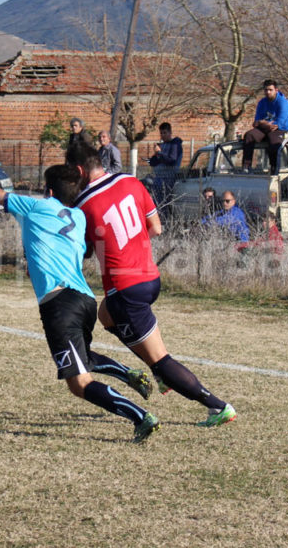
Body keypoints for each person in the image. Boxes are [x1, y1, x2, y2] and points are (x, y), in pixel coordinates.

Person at [0, 165, 161, 443]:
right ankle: (129, 374)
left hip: (59, 305)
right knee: (83, 359)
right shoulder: (79, 216)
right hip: (85, 300)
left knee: (79, 383)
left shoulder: (36, 206)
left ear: (48, 190)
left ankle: (140, 417)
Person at [67, 146, 238, 428]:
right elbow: (156, 228)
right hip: (149, 278)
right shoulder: (130, 181)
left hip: (125, 287)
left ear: (79, 171)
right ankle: (158, 373)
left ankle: (217, 406)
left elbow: (83, 250)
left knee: (161, 360)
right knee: (106, 315)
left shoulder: (82, 204)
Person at [241, 79, 288, 174]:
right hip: (264, 128)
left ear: (276, 90)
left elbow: (277, 124)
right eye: (266, 90)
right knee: (249, 135)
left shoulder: (283, 103)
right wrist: (263, 123)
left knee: (273, 141)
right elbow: (256, 122)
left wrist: (263, 122)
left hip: (281, 130)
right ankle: (246, 166)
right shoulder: (262, 102)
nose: (268, 92)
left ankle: (274, 169)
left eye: (270, 90)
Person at [147, 121, 182, 209]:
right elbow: (153, 162)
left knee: (164, 203)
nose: (163, 135)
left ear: (170, 132)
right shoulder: (162, 145)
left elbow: (171, 160)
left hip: (169, 177)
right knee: (156, 203)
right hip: (159, 177)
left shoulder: (175, 144)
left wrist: (160, 153)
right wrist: (157, 154)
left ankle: (165, 219)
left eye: (165, 133)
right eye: (161, 133)